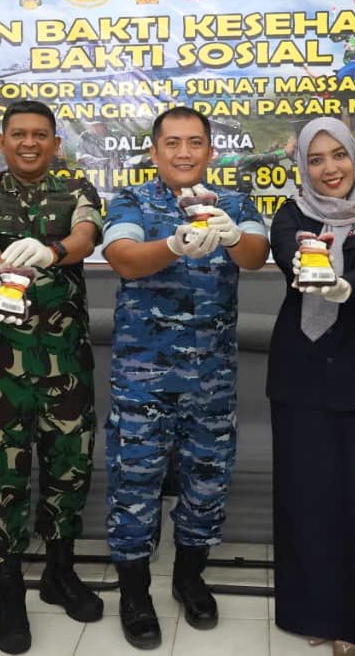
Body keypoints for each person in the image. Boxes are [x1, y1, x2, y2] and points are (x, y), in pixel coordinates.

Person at [101, 106, 270, 648]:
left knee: (207, 484)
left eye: (194, 142)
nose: (183, 152)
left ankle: (189, 579)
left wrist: (230, 235)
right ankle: (134, 593)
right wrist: (173, 244)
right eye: (171, 143)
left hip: (211, 381)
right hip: (142, 380)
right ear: (154, 152)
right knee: (134, 487)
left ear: (210, 151)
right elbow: (124, 258)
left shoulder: (235, 203)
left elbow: (256, 256)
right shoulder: (132, 201)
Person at [0, 100, 105, 653]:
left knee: (70, 470)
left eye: (40, 135)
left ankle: (60, 573)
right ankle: (9, 588)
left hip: (66, 363)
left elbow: (86, 236)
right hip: (2, 370)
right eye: (18, 134)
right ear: (2, 140)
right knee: (3, 478)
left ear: (55, 143)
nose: (29, 143)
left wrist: (52, 249)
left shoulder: (76, 187)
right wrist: (4, 267)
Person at [267, 118, 355, 656]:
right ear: (304, 166)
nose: (330, 168)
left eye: (339, 155)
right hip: (299, 372)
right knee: (306, 498)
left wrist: (344, 284)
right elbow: (289, 255)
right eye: (316, 159)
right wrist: (310, 262)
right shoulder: (291, 213)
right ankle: (314, 612)